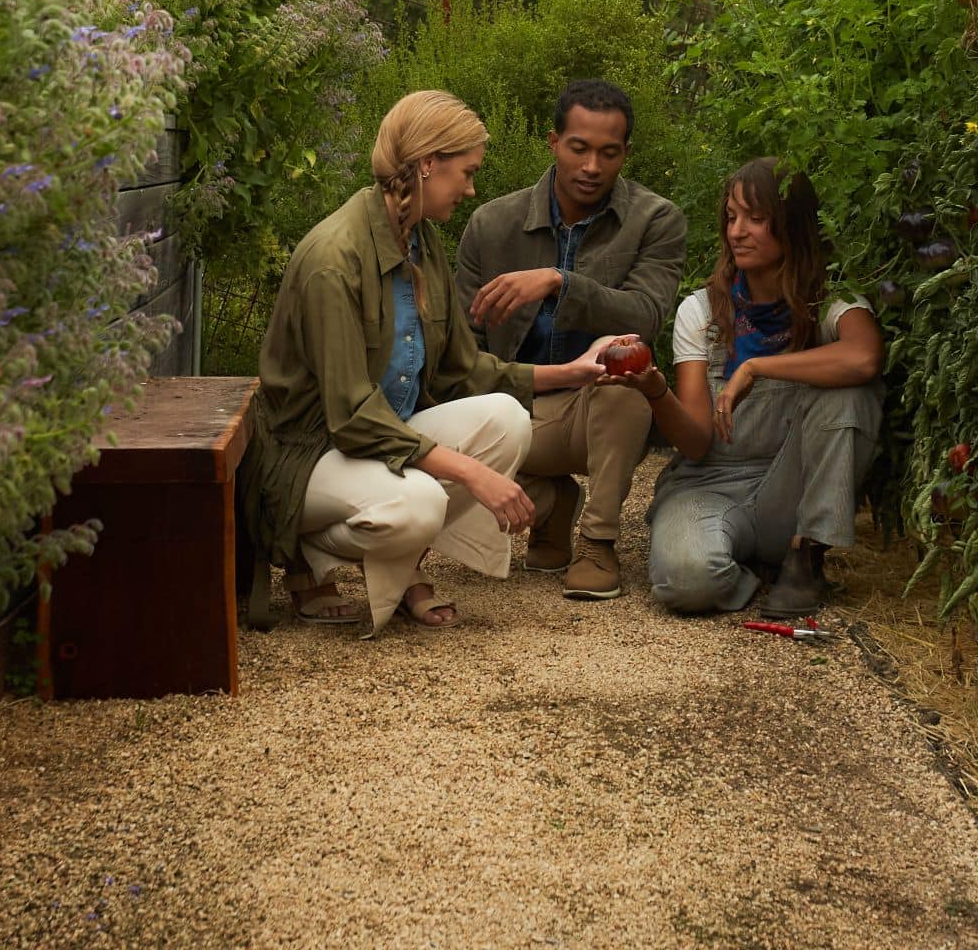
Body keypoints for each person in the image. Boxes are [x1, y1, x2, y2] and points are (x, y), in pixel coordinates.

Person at [236, 90, 629, 636]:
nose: (470, 189)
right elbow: (350, 416)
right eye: (464, 173)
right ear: (426, 166)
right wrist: (472, 474)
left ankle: (400, 576)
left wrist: (574, 371)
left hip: (375, 444)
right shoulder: (335, 260)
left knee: (506, 421)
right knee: (419, 501)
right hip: (306, 457)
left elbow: (461, 371)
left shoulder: (420, 240)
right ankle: (306, 552)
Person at [615, 158, 883, 618]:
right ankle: (752, 571)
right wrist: (658, 391)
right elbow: (698, 442)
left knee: (850, 389)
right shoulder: (700, 312)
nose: (738, 231)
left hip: (791, 493)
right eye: (732, 217)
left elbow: (864, 358)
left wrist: (757, 366)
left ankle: (806, 556)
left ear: (793, 226)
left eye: (757, 219)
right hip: (707, 485)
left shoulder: (832, 302)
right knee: (686, 582)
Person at [456, 79, 688, 600]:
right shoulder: (491, 224)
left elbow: (647, 316)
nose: (591, 167)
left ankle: (597, 540)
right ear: (553, 142)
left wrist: (560, 282)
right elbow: (461, 350)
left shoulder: (656, 220)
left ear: (626, 154)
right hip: (515, 409)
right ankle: (551, 501)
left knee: (628, 377)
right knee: (433, 420)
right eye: (579, 148)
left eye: (609, 153)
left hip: (597, 412)